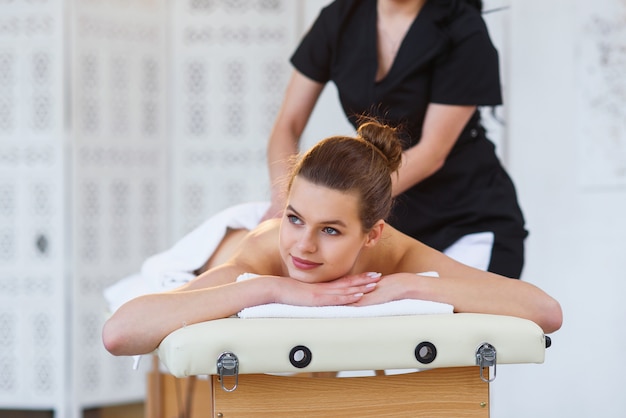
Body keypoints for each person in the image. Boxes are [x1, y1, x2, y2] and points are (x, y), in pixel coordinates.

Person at [102, 120, 562, 357]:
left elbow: (546, 312)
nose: (304, 245)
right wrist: (269, 286)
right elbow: (119, 333)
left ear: (372, 234)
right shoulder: (269, 253)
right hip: (230, 240)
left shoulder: (396, 251)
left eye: (331, 231)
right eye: (297, 218)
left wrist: (412, 283)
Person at [264, 0, 527, 278]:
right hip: (386, 224)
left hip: (464, 220)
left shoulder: (463, 29)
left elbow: (432, 153)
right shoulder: (340, 18)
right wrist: (288, 205)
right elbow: (287, 126)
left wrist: (343, 204)